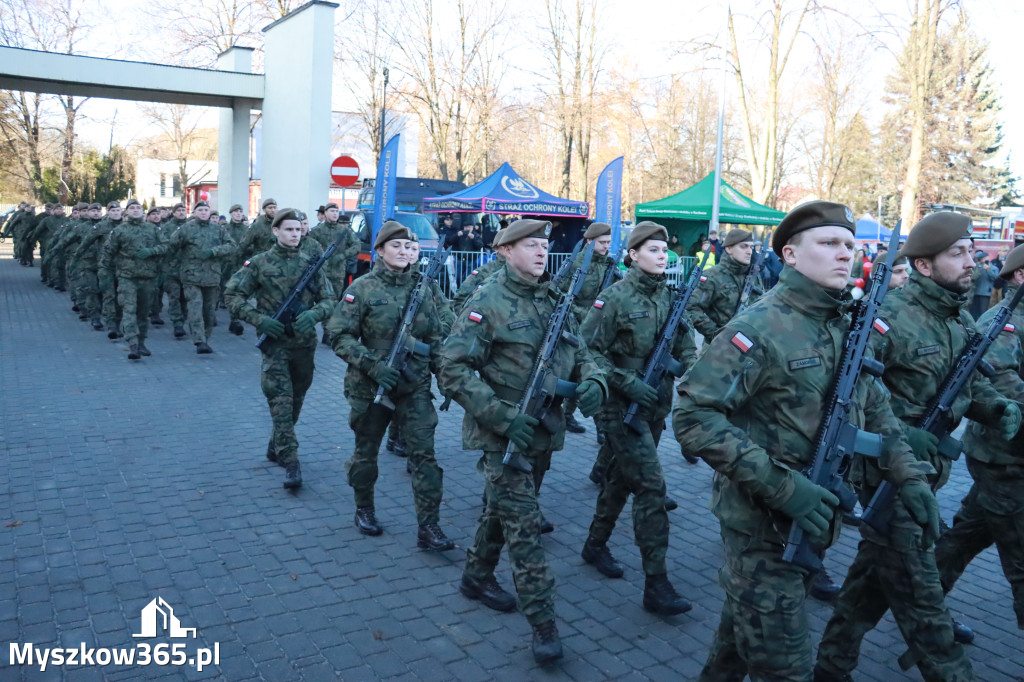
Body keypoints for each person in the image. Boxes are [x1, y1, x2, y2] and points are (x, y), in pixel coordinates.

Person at [672, 201, 937, 682]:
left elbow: (875, 407)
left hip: (814, 519)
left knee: (733, 649)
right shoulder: (758, 326)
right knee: (787, 669)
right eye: (829, 243)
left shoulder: (842, 323)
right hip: (761, 527)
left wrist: (909, 474)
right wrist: (783, 486)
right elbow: (692, 416)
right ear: (790, 255)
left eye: (850, 246)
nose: (844, 255)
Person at [815, 211, 1022, 681]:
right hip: (889, 477)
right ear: (924, 266)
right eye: (958, 254)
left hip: (927, 476)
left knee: (868, 583)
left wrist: (994, 408)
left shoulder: (957, 320)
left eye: (971, 251)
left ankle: (831, 664)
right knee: (926, 607)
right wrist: (903, 434)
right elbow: (844, 397)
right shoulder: (888, 319)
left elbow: (965, 384)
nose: (972, 261)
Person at [438, 218, 607, 664]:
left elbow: (584, 353)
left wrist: (594, 381)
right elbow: (451, 368)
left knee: (502, 510)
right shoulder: (486, 301)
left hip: (542, 431)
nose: (539, 252)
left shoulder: (555, 299)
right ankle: (543, 622)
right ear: (504, 251)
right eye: (529, 245)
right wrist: (500, 416)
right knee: (525, 526)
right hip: (501, 433)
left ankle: (475, 576)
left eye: (543, 245)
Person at [578, 220, 696, 615]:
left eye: (665, 251)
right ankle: (656, 584)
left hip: (656, 405)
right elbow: (587, 350)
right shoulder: (613, 297)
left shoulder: (669, 296)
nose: (662, 257)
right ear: (632, 255)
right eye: (653, 250)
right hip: (620, 406)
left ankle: (594, 545)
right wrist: (623, 381)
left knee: (618, 478)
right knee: (650, 487)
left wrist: (692, 375)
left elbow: (685, 346)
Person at [325, 220, 454, 549]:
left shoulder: (425, 288)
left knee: (425, 456)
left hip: (415, 385)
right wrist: (372, 365)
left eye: (409, 246)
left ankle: (429, 525)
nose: (403, 251)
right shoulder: (363, 288)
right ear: (380, 250)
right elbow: (338, 335)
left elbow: (438, 336)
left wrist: (447, 376)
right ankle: (363, 508)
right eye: (395, 245)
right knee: (365, 453)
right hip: (370, 387)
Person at [934, 243, 1024, 638]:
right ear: (1020, 276)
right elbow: (1002, 384)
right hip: (1004, 459)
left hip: (1009, 461)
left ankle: (922, 606)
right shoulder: (1004, 322)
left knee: (961, 539)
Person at [224, 209, 336, 489]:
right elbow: (233, 295)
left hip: (304, 344)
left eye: (298, 230)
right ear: (276, 231)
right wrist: (258, 320)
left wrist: (314, 315)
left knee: (296, 401)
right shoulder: (260, 263)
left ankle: (277, 445)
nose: (295, 234)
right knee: (281, 402)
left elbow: (330, 298)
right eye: (288, 229)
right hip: (275, 346)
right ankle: (291, 461)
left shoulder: (312, 263)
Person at [557, 221, 618, 435]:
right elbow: (559, 295)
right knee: (575, 373)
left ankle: (601, 426)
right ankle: (566, 414)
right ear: (589, 241)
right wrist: (586, 314)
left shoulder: (610, 264)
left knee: (596, 373)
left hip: (601, 330)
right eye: (602, 242)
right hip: (576, 327)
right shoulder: (576, 264)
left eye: (609, 242)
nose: (606, 246)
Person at [159, 200, 238, 354]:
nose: (203, 212)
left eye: (206, 210)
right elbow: (171, 247)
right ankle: (199, 340)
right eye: (200, 210)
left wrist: (214, 251)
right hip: (191, 276)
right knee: (195, 308)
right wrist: (167, 269)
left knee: (209, 311)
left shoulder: (218, 230)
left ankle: (205, 337)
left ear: (209, 213)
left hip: (212, 276)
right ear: (194, 213)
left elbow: (232, 246)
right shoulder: (186, 229)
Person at [99, 199, 165, 360]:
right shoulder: (120, 231)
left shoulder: (153, 229)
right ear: (126, 212)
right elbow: (108, 253)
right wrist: (104, 274)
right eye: (132, 208)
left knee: (143, 313)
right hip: (127, 277)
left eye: (138, 208)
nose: (135, 210)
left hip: (148, 277)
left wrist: (151, 251)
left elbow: (167, 246)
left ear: (143, 212)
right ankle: (133, 344)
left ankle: (141, 342)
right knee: (129, 310)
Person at [686, 228, 763, 342]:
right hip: (720, 350)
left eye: (751, 247)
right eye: (744, 246)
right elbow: (691, 308)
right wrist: (717, 334)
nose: (749, 252)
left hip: (752, 346)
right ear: (729, 248)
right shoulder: (712, 276)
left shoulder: (753, 276)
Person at [309, 202, 361, 343]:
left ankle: (329, 330)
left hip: (338, 273)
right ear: (325, 213)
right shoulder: (316, 231)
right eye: (331, 211)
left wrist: (343, 255)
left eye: (336, 211)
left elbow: (357, 245)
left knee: (335, 302)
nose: (334, 214)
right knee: (322, 300)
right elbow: (308, 247)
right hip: (321, 273)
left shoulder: (344, 231)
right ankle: (324, 329)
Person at [223, 204, 250, 335]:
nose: (238, 214)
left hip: (242, 266)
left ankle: (235, 319)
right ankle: (234, 319)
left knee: (240, 293)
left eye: (240, 211)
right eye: (236, 212)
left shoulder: (247, 230)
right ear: (231, 214)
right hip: (227, 266)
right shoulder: (225, 229)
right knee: (229, 294)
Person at [969, 249, 998, 320]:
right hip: (975, 292)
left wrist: (988, 270)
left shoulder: (994, 268)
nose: (984, 260)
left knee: (983, 311)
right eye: (982, 259)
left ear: (988, 258)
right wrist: (979, 267)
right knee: (973, 311)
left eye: (985, 258)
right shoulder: (977, 267)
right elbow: (973, 277)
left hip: (985, 293)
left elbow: (995, 278)